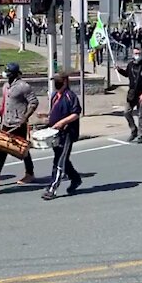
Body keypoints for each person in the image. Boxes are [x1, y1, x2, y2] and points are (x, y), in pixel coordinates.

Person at [0, 63, 39, 186]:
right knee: (2, 148)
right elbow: (4, 103)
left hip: (18, 123)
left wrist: (25, 117)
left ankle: (30, 173)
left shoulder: (23, 86)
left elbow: (34, 102)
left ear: (14, 74)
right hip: (6, 122)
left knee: (22, 149)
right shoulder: (6, 86)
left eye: (8, 72)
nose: (6, 74)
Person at [43, 72, 83, 200]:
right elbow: (53, 113)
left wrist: (61, 123)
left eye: (58, 81)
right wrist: (46, 118)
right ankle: (76, 179)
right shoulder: (55, 96)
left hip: (67, 133)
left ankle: (52, 188)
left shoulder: (70, 96)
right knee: (63, 159)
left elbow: (76, 113)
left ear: (65, 81)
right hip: (55, 133)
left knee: (59, 161)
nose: (56, 83)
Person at [117, 47, 142, 142]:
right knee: (126, 112)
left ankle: (141, 134)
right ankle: (133, 129)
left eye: (139, 53)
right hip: (132, 93)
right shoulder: (131, 65)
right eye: (135, 53)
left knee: (141, 114)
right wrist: (119, 70)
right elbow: (127, 74)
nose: (137, 55)